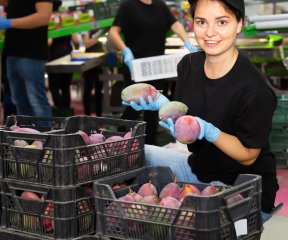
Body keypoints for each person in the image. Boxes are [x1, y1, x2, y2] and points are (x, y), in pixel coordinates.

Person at [122, 0, 279, 222]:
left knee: (197, 222)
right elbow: (188, 139)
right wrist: (163, 105)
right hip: (199, 171)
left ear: (239, 24)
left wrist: (210, 131)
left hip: (243, 187)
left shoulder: (254, 88)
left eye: (222, 22)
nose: (210, 32)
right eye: (201, 22)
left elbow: (248, 155)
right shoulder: (188, 66)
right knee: (135, 151)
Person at [108, 0, 198, 145]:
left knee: (153, 111)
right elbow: (113, 32)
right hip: (135, 68)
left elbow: (175, 24)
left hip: (155, 68)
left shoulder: (160, 5)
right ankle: (118, 144)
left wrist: (187, 41)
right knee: (133, 109)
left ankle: (150, 145)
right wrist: (125, 50)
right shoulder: (128, 6)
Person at [0, 0, 53, 117]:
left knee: (37, 102)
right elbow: (10, 2)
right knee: (20, 101)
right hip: (13, 52)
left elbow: (43, 17)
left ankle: (45, 134)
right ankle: (25, 133)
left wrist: (9, 22)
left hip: (31, 53)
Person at [48, 0, 76, 116]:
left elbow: (48, 42)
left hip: (54, 55)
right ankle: (67, 113)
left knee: (53, 86)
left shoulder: (49, 20)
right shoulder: (67, 18)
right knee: (66, 86)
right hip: (67, 54)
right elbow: (75, 40)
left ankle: (59, 113)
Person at [81, 29, 106, 117]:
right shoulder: (87, 28)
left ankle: (99, 116)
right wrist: (99, 35)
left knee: (99, 91)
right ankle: (87, 116)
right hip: (88, 64)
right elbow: (86, 43)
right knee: (88, 89)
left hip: (99, 64)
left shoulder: (102, 28)